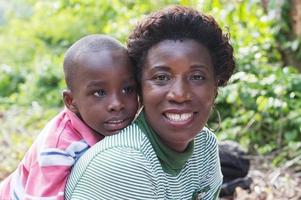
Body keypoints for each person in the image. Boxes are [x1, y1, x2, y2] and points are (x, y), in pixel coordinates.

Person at [65, 6, 235, 200]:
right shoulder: (124, 163)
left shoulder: (204, 145)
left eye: (197, 77)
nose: (179, 94)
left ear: (215, 86)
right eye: (161, 77)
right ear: (140, 89)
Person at [0, 34, 138, 200]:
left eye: (127, 89)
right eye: (100, 92)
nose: (117, 104)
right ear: (71, 101)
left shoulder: (131, 128)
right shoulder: (57, 149)